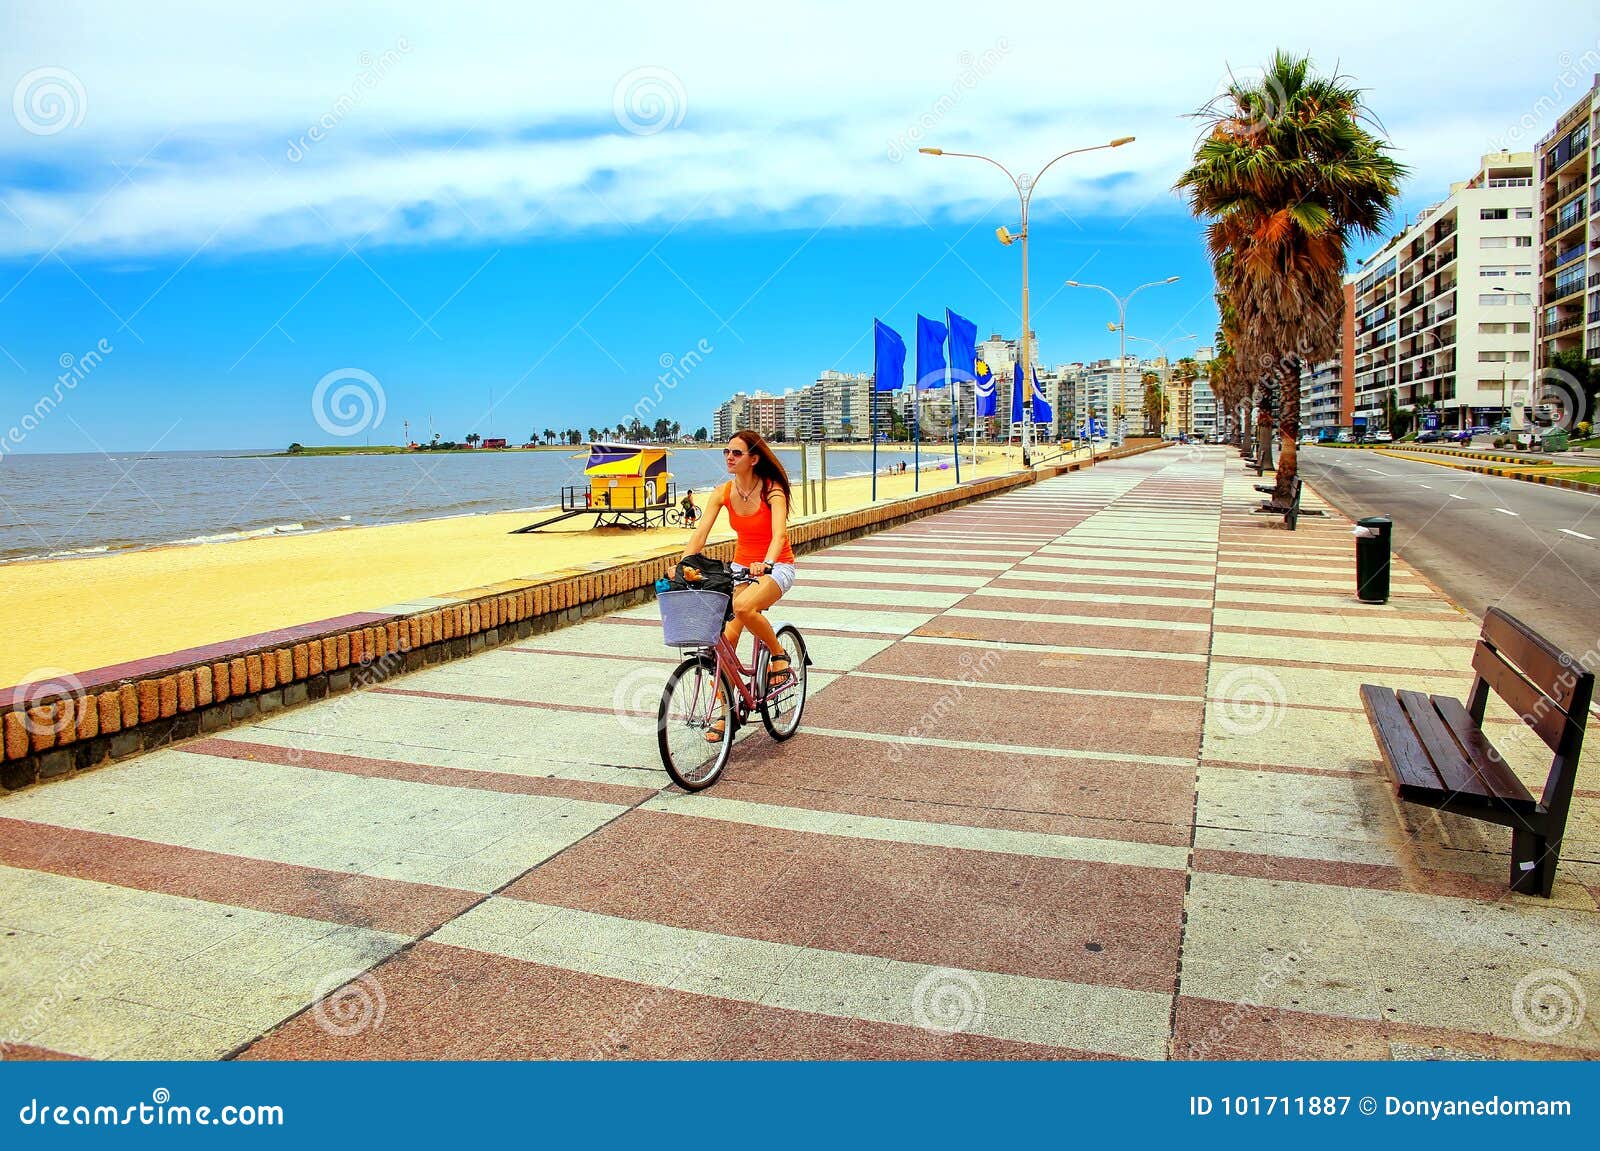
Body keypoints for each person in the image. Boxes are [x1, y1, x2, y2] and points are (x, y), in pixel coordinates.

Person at [679, 429, 797, 742]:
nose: (729, 458)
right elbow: (700, 534)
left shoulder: (772, 491)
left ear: (754, 459)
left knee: (745, 607)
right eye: (727, 453)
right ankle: (724, 712)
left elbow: (779, 535)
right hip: (740, 569)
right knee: (717, 647)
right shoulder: (723, 492)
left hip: (776, 566)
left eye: (737, 453)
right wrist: (683, 564)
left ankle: (779, 655)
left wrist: (768, 564)